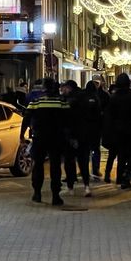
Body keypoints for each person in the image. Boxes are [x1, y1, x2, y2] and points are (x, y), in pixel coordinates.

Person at [20, 78, 70, 206]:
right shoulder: (61, 102)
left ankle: (37, 193)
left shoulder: (37, 102)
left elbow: (26, 118)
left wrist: (22, 135)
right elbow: (69, 120)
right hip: (57, 138)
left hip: (40, 138)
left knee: (38, 165)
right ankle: (55, 196)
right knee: (55, 166)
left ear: (44, 88)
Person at [103, 73, 131, 189]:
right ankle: (126, 176)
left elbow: (109, 116)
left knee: (119, 155)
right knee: (130, 155)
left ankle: (119, 176)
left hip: (117, 131)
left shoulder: (113, 98)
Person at [60, 80, 94, 197]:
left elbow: (65, 120)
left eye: (64, 88)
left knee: (69, 162)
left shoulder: (68, 101)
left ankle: (70, 188)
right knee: (83, 162)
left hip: (71, 136)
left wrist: (69, 135)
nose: (62, 90)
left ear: (69, 88)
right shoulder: (85, 98)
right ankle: (86, 187)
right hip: (84, 135)